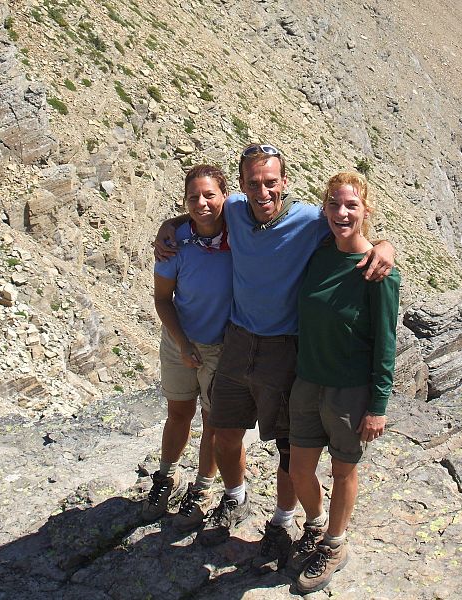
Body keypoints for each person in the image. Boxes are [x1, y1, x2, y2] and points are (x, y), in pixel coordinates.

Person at [154, 144, 395, 566]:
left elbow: (353, 229)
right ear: (242, 187)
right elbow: (202, 211)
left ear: (285, 182)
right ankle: (235, 497)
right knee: (224, 432)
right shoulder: (234, 212)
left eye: (271, 182)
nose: (263, 192)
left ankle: (282, 523)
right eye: (253, 184)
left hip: (285, 349)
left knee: (288, 447)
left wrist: (386, 246)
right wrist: (169, 226)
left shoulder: (310, 220)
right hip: (238, 340)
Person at [287, 172, 400, 594]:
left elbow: (385, 342)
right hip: (308, 381)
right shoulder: (319, 253)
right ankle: (316, 527)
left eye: (351, 205)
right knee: (300, 469)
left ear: (366, 211)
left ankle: (335, 544)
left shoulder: (379, 273)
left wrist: (378, 406)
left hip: (349, 390)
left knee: (343, 469)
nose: (341, 213)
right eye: (334, 204)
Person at [143, 164, 232, 531]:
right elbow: (163, 299)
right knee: (179, 412)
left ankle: (204, 487)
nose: (202, 202)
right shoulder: (175, 243)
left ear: (226, 196)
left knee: (212, 420)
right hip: (181, 338)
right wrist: (181, 344)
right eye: (193, 197)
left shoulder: (242, 231)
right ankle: (166, 477)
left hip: (222, 345)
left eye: (210, 194)